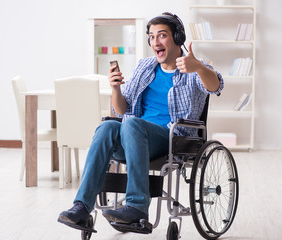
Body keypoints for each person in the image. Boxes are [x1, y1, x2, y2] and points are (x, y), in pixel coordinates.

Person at [57, 12, 223, 230]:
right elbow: (122, 110)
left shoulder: (192, 68)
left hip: (172, 138)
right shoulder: (145, 67)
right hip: (133, 136)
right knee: (107, 126)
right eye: (152, 37)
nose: (155, 42)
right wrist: (115, 88)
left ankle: (137, 207)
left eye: (162, 35)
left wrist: (200, 68)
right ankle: (81, 207)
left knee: (131, 124)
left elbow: (216, 86)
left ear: (177, 38)